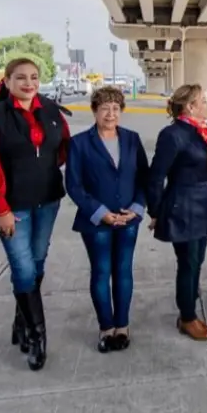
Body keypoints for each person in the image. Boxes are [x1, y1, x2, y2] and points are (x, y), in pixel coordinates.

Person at [0, 58, 70, 371]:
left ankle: (20, 323)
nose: (28, 83)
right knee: (24, 268)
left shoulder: (52, 110)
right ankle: (37, 336)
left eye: (33, 77)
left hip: (47, 201)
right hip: (11, 207)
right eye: (20, 78)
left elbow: (65, 148)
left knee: (38, 261)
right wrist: (0, 207)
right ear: (8, 81)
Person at [146, 83, 207, 341]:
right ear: (190, 107)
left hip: (202, 202)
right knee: (187, 263)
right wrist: (155, 211)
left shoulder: (202, 132)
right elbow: (156, 177)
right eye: (203, 101)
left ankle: (188, 307)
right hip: (182, 205)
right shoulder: (173, 134)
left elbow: (204, 163)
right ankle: (187, 317)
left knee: (197, 261)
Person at [65, 86, 149, 353]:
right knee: (101, 272)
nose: (110, 114)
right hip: (96, 221)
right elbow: (74, 185)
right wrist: (101, 213)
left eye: (115, 108)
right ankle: (106, 328)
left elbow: (144, 178)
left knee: (123, 271)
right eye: (104, 108)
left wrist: (137, 207)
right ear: (94, 111)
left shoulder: (133, 140)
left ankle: (122, 326)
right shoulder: (79, 143)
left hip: (127, 219)